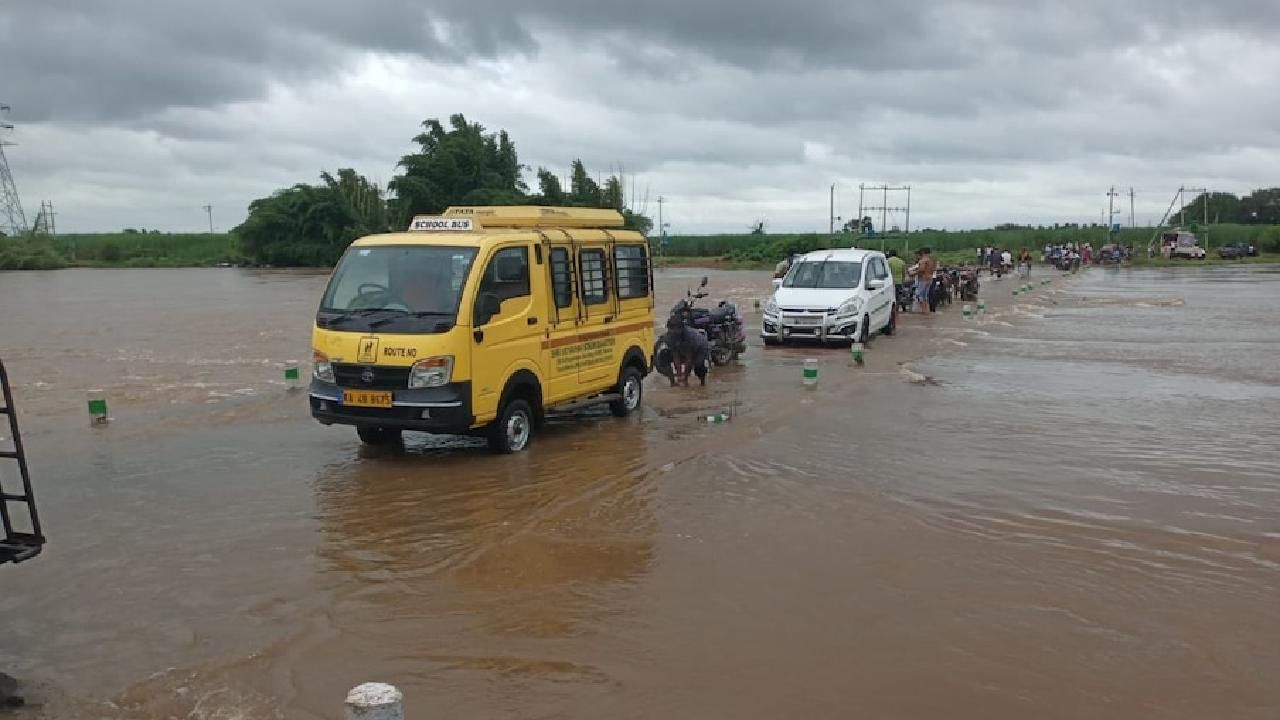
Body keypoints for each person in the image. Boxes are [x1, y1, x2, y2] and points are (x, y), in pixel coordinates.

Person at [655, 316, 710, 386]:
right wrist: (679, 375)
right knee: (664, 356)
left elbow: (688, 359)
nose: (673, 332)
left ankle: (702, 383)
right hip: (681, 349)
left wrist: (685, 378)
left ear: (681, 328)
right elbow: (675, 356)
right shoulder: (668, 337)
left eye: (675, 330)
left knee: (699, 366)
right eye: (670, 329)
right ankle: (673, 382)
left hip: (699, 348)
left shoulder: (689, 336)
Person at [913, 248, 937, 313]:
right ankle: (927, 310)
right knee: (925, 296)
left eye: (916, 255)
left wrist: (913, 273)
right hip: (930, 279)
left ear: (920, 254)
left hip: (923, 279)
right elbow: (933, 269)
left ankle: (923, 311)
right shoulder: (930, 260)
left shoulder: (923, 260)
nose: (916, 257)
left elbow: (922, 269)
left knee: (919, 295)